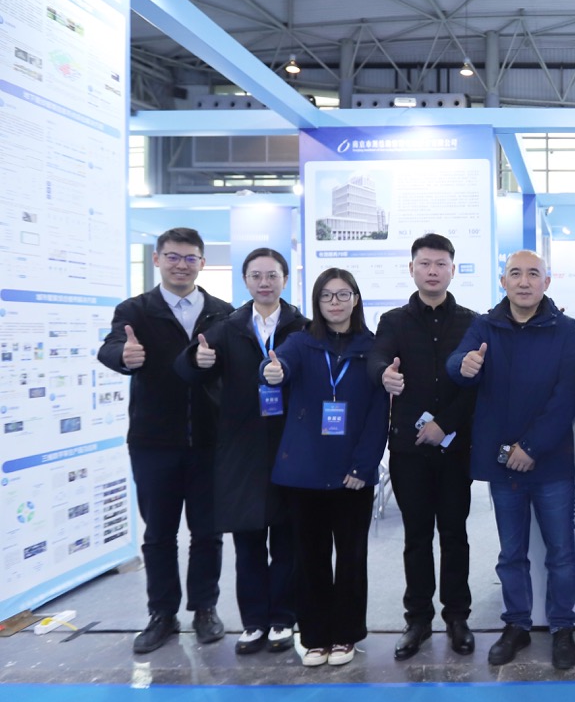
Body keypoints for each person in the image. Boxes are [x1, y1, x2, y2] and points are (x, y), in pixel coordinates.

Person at [446, 250, 575, 670]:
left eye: (533, 274)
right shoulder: (485, 325)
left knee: (561, 552)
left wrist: (532, 447)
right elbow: (456, 363)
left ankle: (562, 626)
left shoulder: (564, 329)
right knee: (511, 553)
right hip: (503, 463)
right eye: (516, 274)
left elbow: (567, 397)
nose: (524, 282)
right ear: (503, 281)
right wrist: (464, 364)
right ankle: (517, 624)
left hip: (550, 462)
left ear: (547, 282)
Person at [98, 227, 233, 654]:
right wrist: (123, 357)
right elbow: (110, 347)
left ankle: (205, 609)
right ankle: (162, 614)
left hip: (210, 442)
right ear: (156, 259)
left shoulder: (223, 313)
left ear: (202, 263)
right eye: (172, 256)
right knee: (158, 534)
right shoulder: (136, 310)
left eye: (190, 258)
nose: (181, 265)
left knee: (208, 533)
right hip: (153, 442)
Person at [175, 247, 307, 655]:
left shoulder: (301, 328)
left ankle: (283, 618)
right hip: (241, 449)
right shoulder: (227, 326)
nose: (264, 283)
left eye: (272, 275)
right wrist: (197, 358)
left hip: (289, 446)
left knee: (287, 541)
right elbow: (185, 369)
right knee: (248, 541)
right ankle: (253, 622)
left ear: (285, 279)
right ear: (245, 280)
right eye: (256, 276)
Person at [263, 268, 389, 668]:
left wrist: (364, 466)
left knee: (351, 558)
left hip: (353, 472)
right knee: (309, 557)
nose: (335, 303)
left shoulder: (373, 347)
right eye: (326, 296)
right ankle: (314, 636)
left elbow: (378, 414)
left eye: (343, 294)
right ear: (317, 302)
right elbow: (278, 366)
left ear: (356, 299)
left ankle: (346, 634)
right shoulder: (301, 342)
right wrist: (272, 371)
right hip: (305, 471)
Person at [368, 233, 479, 660]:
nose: (433, 271)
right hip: (409, 449)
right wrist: (384, 374)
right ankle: (417, 619)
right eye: (425, 264)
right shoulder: (393, 321)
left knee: (454, 533)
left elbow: (476, 385)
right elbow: (377, 358)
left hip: (454, 448)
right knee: (416, 536)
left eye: (440, 264)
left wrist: (444, 425)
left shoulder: (471, 322)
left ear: (452, 269)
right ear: (411, 268)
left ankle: (457, 617)